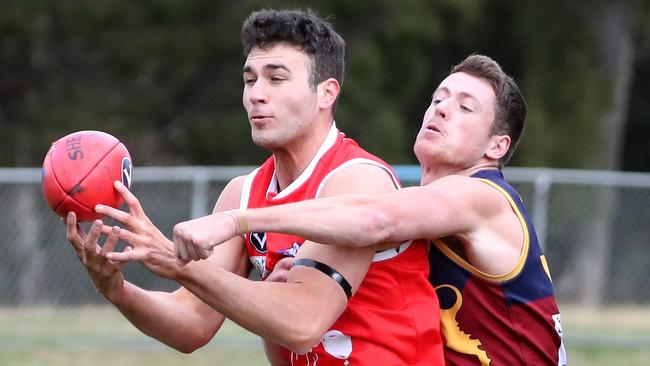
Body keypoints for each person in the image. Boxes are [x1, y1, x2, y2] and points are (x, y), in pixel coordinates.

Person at [65, 8, 444, 366]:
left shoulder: (357, 178)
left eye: (276, 79)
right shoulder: (242, 192)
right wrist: (118, 290)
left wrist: (175, 263)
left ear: (327, 93)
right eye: (250, 80)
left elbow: (303, 322)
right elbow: (191, 324)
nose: (256, 94)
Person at [174, 54, 568, 365]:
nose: (441, 110)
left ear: (496, 147)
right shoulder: (421, 212)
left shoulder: (482, 197)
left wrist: (238, 220)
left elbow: (372, 218)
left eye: (465, 108)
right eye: (438, 99)